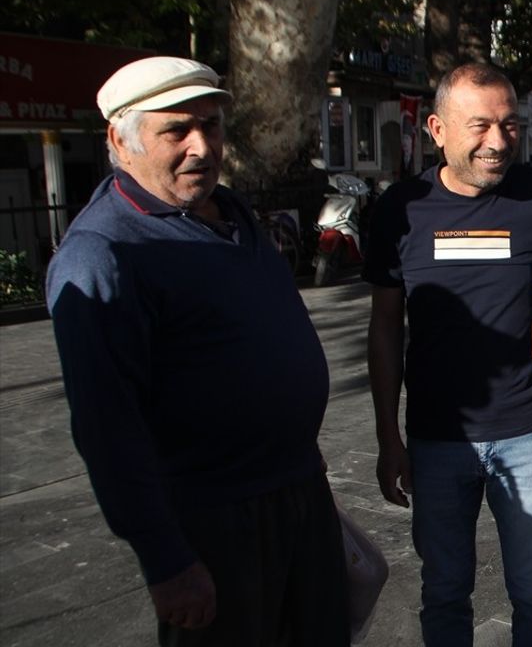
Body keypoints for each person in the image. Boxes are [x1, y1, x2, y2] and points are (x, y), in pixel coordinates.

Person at [45, 56, 349, 646]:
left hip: (297, 491)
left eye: (211, 125)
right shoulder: (104, 253)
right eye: (176, 130)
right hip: (213, 521)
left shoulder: (230, 212)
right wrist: (166, 561)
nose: (202, 146)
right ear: (119, 138)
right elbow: (107, 427)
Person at [364, 63, 532, 646]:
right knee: (445, 592)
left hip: (528, 431)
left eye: (509, 126)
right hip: (435, 441)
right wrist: (387, 438)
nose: (498, 143)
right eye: (480, 126)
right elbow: (384, 329)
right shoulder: (402, 209)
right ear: (437, 128)